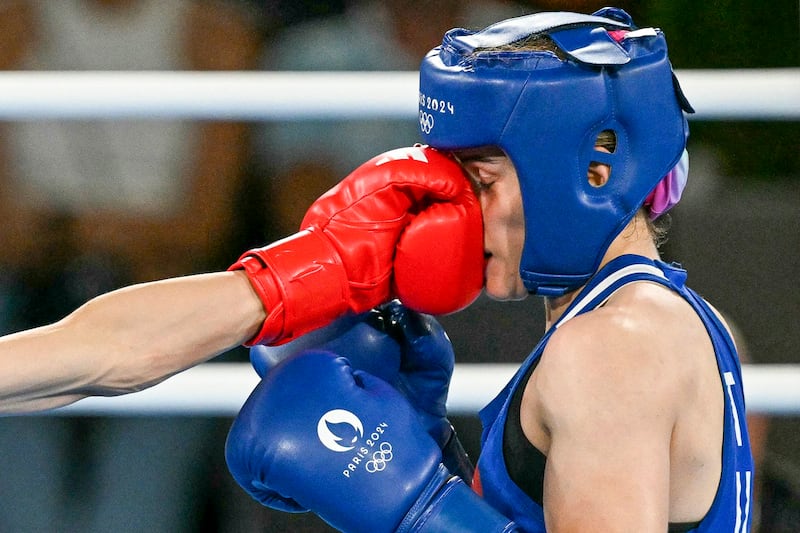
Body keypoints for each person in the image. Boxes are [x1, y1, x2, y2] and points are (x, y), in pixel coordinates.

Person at [225, 7, 754, 533]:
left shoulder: (608, 350)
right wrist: (434, 461)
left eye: (481, 182)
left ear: (594, 175)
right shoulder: (659, 319)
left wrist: (415, 509)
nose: (454, 213)